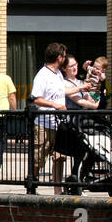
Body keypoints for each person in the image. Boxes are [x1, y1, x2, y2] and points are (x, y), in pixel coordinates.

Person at [30, 43, 89, 193]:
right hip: (44, 124)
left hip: (58, 124)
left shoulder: (57, 74)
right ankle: (32, 185)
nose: (65, 58)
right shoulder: (43, 75)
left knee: (59, 157)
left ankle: (58, 190)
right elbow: (35, 99)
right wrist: (55, 105)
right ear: (59, 57)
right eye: (64, 55)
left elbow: (63, 90)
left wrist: (81, 88)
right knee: (39, 157)